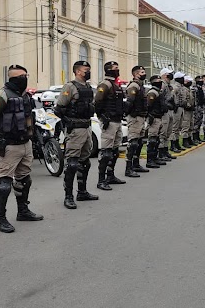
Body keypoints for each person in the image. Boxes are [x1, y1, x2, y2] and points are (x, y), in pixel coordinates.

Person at [0, 65, 43, 233]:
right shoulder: (1, 95)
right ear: (12, 78)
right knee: (4, 184)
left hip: (26, 144)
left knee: (25, 180)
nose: (24, 79)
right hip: (8, 146)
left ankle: (23, 211)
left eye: (26, 75)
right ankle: (0, 219)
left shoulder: (25, 96)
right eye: (21, 77)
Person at [53, 60, 99, 208]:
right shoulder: (69, 87)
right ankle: (68, 196)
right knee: (72, 163)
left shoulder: (88, 87)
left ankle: (82, 191)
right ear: (78, 71)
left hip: (86, 127)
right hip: (75, 129)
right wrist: (69, 123)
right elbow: (59, 109)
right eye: (86, 69)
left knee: (85, 162)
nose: (88, 72)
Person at [93, 61, 127, 190]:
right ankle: (101, 180)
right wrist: (102, 117)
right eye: (115, 68)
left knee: (115, 150)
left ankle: (110, 175)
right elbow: (97, 102)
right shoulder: (105, 84)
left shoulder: (115, 85)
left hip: (117, 120)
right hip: (109, 121)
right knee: (106, 152)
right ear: (108, 70)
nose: (117, 70)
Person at [124, 65, 150, 177]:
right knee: (133, 142)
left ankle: (136, 164)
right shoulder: (134, 85)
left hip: (141, 117)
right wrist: (131, 114)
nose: (144, 74)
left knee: (139, 142)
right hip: (135, 117)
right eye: (142, 72)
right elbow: (129, 102)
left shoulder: (141, 86)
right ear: (135, 74)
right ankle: (128, 168)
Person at [145, 75, 167, 168]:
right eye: (158, 80)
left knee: (157, 139)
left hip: (159, 117)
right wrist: (150, 116)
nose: (160, 82)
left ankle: (155, 157)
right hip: (154, 118)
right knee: (152, 139)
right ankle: (150, 160)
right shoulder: (152, 92)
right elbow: (148, 106)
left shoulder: (158, 92)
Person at [157, 68, 177, 161]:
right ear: (164, 75)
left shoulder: (169, 85)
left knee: (168, 132)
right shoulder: (162, 85)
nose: (171, 75)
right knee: (163, 132)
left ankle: (165, 150)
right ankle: (161, 152)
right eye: (169, 74)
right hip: (165, 111)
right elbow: (161, 98)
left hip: (170, 110)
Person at [169, 71, 186, 152]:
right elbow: (171, 96)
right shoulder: (175, 86)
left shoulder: (181, 87)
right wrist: (174, 105)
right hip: (176, 108)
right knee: (174, 127)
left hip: (181, 108)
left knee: (179, 127)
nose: (183, 79)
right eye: (182, 77)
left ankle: (177, 143)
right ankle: (173, 144)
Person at [180, 75, 195, 148]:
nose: (190, 82)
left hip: (191, 109)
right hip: (186, 110)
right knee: (185, 125)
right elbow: (184, 100)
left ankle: (189, 138)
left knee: (191, 124)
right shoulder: (184, 89)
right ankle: (184, 140)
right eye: (188, 81)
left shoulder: (189, 89)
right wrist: (188, 105)